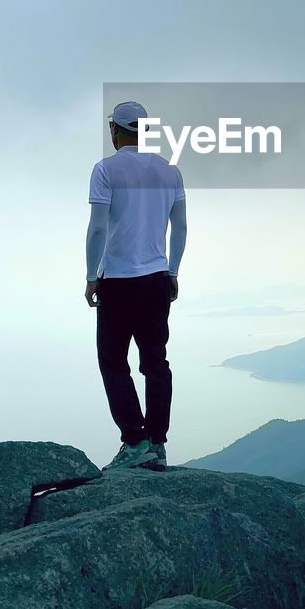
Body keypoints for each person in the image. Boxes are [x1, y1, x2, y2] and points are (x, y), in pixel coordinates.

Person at [85, 100, 187, 471]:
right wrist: (172, 270)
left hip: (118, 283)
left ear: (116, 130)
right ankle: (157, 444)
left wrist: (91, 276)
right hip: (156, 281)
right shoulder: (170, 172)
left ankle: (135, 441)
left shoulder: (106, 170)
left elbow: (98, 227)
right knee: (156, 363)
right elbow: (181, 228)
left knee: (113, 362)